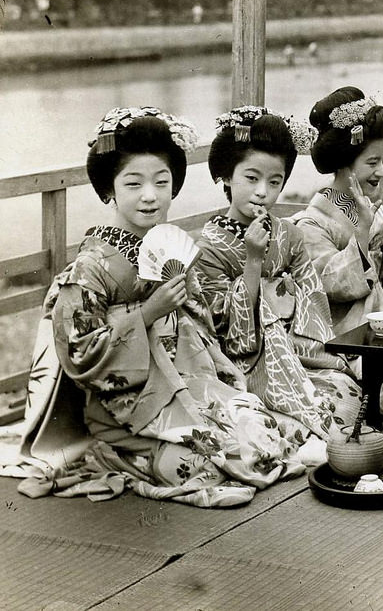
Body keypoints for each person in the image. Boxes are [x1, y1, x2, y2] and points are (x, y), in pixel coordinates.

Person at [33, 107, 306, 507]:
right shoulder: (90, 267)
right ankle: (117, 455)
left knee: (266, 438)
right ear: (109, 190)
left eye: (162, 182)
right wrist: (146, 314)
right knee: (208, 466)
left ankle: (179, 443)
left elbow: (203, 330)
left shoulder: (172, 247)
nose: (150, 195)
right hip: (126, 405)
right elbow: (80, 354)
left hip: (189, 381)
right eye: (134, 184)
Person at [195, 106, 363, 450]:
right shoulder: (207, 248)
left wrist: (282, 302)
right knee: (297, 416)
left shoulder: (289, 235)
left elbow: (313, 301)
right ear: (226, 176)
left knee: (346, 392)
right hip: (245, 361)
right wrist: (254, 261)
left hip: (300, 352)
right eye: (251, 178)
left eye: (274, 182)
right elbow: (221, 329)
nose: (262, 192)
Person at [292, 87, 383, 427]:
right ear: (344, 163)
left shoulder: (378, 214)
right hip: (343, 333)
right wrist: (361, 234)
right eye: (372, 162)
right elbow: (335, 287)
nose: (382, 172)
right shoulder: (311, 224)